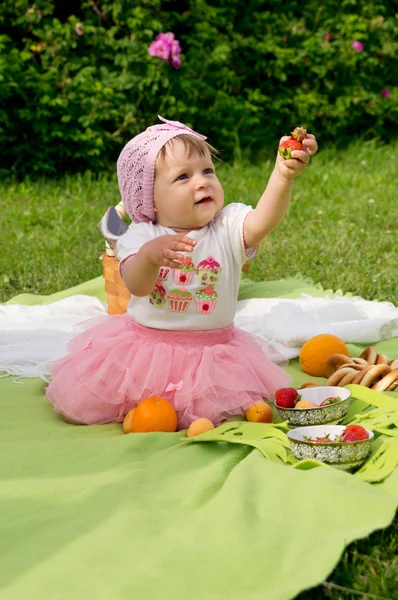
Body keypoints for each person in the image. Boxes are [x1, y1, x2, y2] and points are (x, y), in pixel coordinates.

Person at [46, 116, 318, 427]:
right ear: (151, 200)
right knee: (133, 405)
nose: (202, 182)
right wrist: (149, 257)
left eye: (207, 171)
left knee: (213, 412)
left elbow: (263, 221)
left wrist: (283, 175)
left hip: (214, 355)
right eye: (183, 177)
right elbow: (137, 285)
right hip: (146, 354)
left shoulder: (227, 226)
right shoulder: (142, 234)